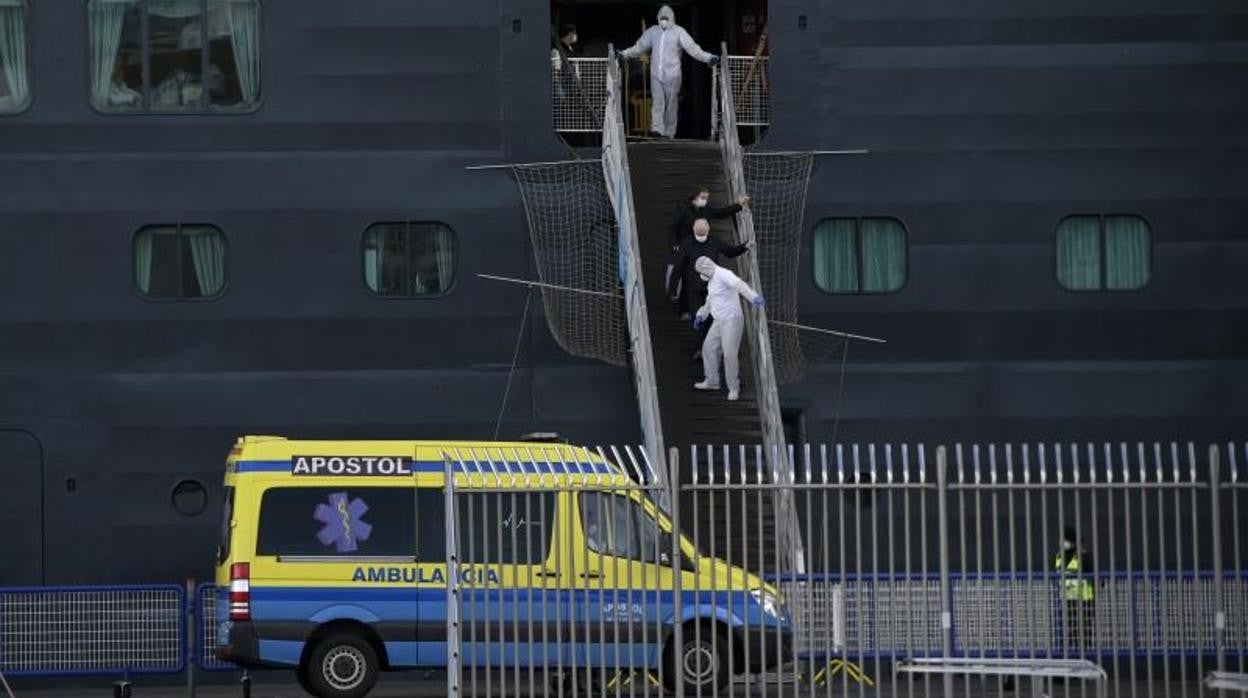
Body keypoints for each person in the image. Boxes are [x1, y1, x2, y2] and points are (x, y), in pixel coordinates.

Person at [619, 5, 719, 138]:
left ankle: (669, 132)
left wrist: (708, 58)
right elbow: (639, 47)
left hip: (673, 74)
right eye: (662, 18)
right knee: (658, 101)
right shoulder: (653, 32)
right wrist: (625, 54)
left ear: (672, 18)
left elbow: (692, 49)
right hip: (656, 73)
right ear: (658, 18)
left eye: (666, 18)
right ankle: (657, 130)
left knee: (672, 103)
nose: (664, 20)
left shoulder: (679, 32)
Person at [692, 256, 764, 401]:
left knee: (729, 354)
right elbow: (710, 301)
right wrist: (701, 315)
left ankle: (733, 388)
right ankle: (712, 380)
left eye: (702, 273)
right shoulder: (712, 281)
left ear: (706, 270)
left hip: (732, 320)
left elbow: (740, 285)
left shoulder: (724, 274)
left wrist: (753, 297)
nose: (702, 276)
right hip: (718, 321)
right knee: (709, 347)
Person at [666, 188, 749, 300]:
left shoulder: (706, 211)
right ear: (695, 198)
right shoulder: (683, 210)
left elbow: (721, 213)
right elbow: (674, 227)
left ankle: (703, 304)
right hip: (686, 246)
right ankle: (681, 302)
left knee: (700, 275)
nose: (705, 200)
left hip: (702, 245)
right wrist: (674, 244)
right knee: (684, 273)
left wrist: (738, 205)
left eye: (706, 198)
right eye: (703, 198)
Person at [670, 218, 750, 319]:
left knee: (711, 316)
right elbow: (678, 266)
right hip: (695, 288)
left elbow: (730, 252)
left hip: (710, 287)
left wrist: (745, 246)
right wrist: (673, 289)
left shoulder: (712, 241)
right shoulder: (689, 243)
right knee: (699, 317)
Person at [1055, 526, 1094, 654]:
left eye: (1065, 539)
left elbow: (1095, 578)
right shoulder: (1059, 556)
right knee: (1067, 635)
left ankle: (1084, 660)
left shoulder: (1084, 556)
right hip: (1067, 601)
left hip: (1084, 603)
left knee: (1083, 635)